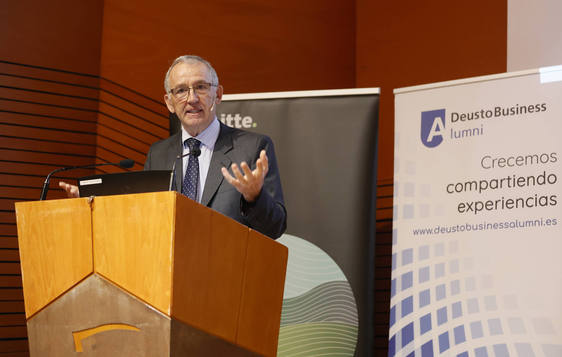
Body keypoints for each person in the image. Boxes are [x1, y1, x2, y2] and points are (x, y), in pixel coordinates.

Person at [60, 55, 286, 239]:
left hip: (227, 276)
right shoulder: (159, 153)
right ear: (169, 102)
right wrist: (93, 203)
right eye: (181, 91)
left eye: (201, 87)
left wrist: (255, 197)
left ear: (218, 95)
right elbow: (143, 218)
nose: (192, 98)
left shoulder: (252, 147)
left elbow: (275, 228)